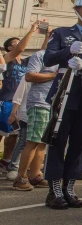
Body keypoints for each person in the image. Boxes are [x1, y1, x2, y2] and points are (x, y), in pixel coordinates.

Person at [43, 0, 82, 209]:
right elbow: (48, 58)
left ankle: (69, 186)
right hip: (64, 92)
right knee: (58, 141)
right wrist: (68, 51)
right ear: (77, 10)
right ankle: (55, 188)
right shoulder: (61, 33)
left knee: (80, 143)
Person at [12, 30, 57, 191]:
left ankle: (35, 175)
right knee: (33, 141)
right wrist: (54, 75)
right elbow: (29, 76)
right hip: (40, 102)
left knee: (43, 142)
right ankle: (20, 177)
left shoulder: (63, 58)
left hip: (53, 104)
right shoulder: (40, 55)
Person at [0, 21, 40, 172]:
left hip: (19, 102)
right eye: (15, 43)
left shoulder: (25, 63)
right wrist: (31, 31)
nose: (18, 44)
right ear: (10, 47)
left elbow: (41, 53)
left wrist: (48, 36)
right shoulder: (7, 58)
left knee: (14, 135)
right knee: (1, 132)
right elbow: (20, 48)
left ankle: (6, 160)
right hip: (5, 100)